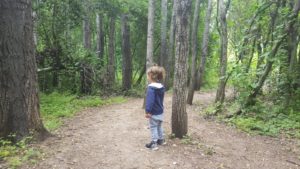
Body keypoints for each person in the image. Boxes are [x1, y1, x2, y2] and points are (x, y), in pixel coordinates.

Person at [145, 65, 166, 150]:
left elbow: (150, 101)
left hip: (153, 112)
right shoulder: (161, 87)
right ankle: (161, 140)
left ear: (151, 75)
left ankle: (154, 143)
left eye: (147, 75)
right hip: (160, 111)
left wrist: (148, 111)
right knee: (159, 126)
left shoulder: (151, 88)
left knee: (153, 127)